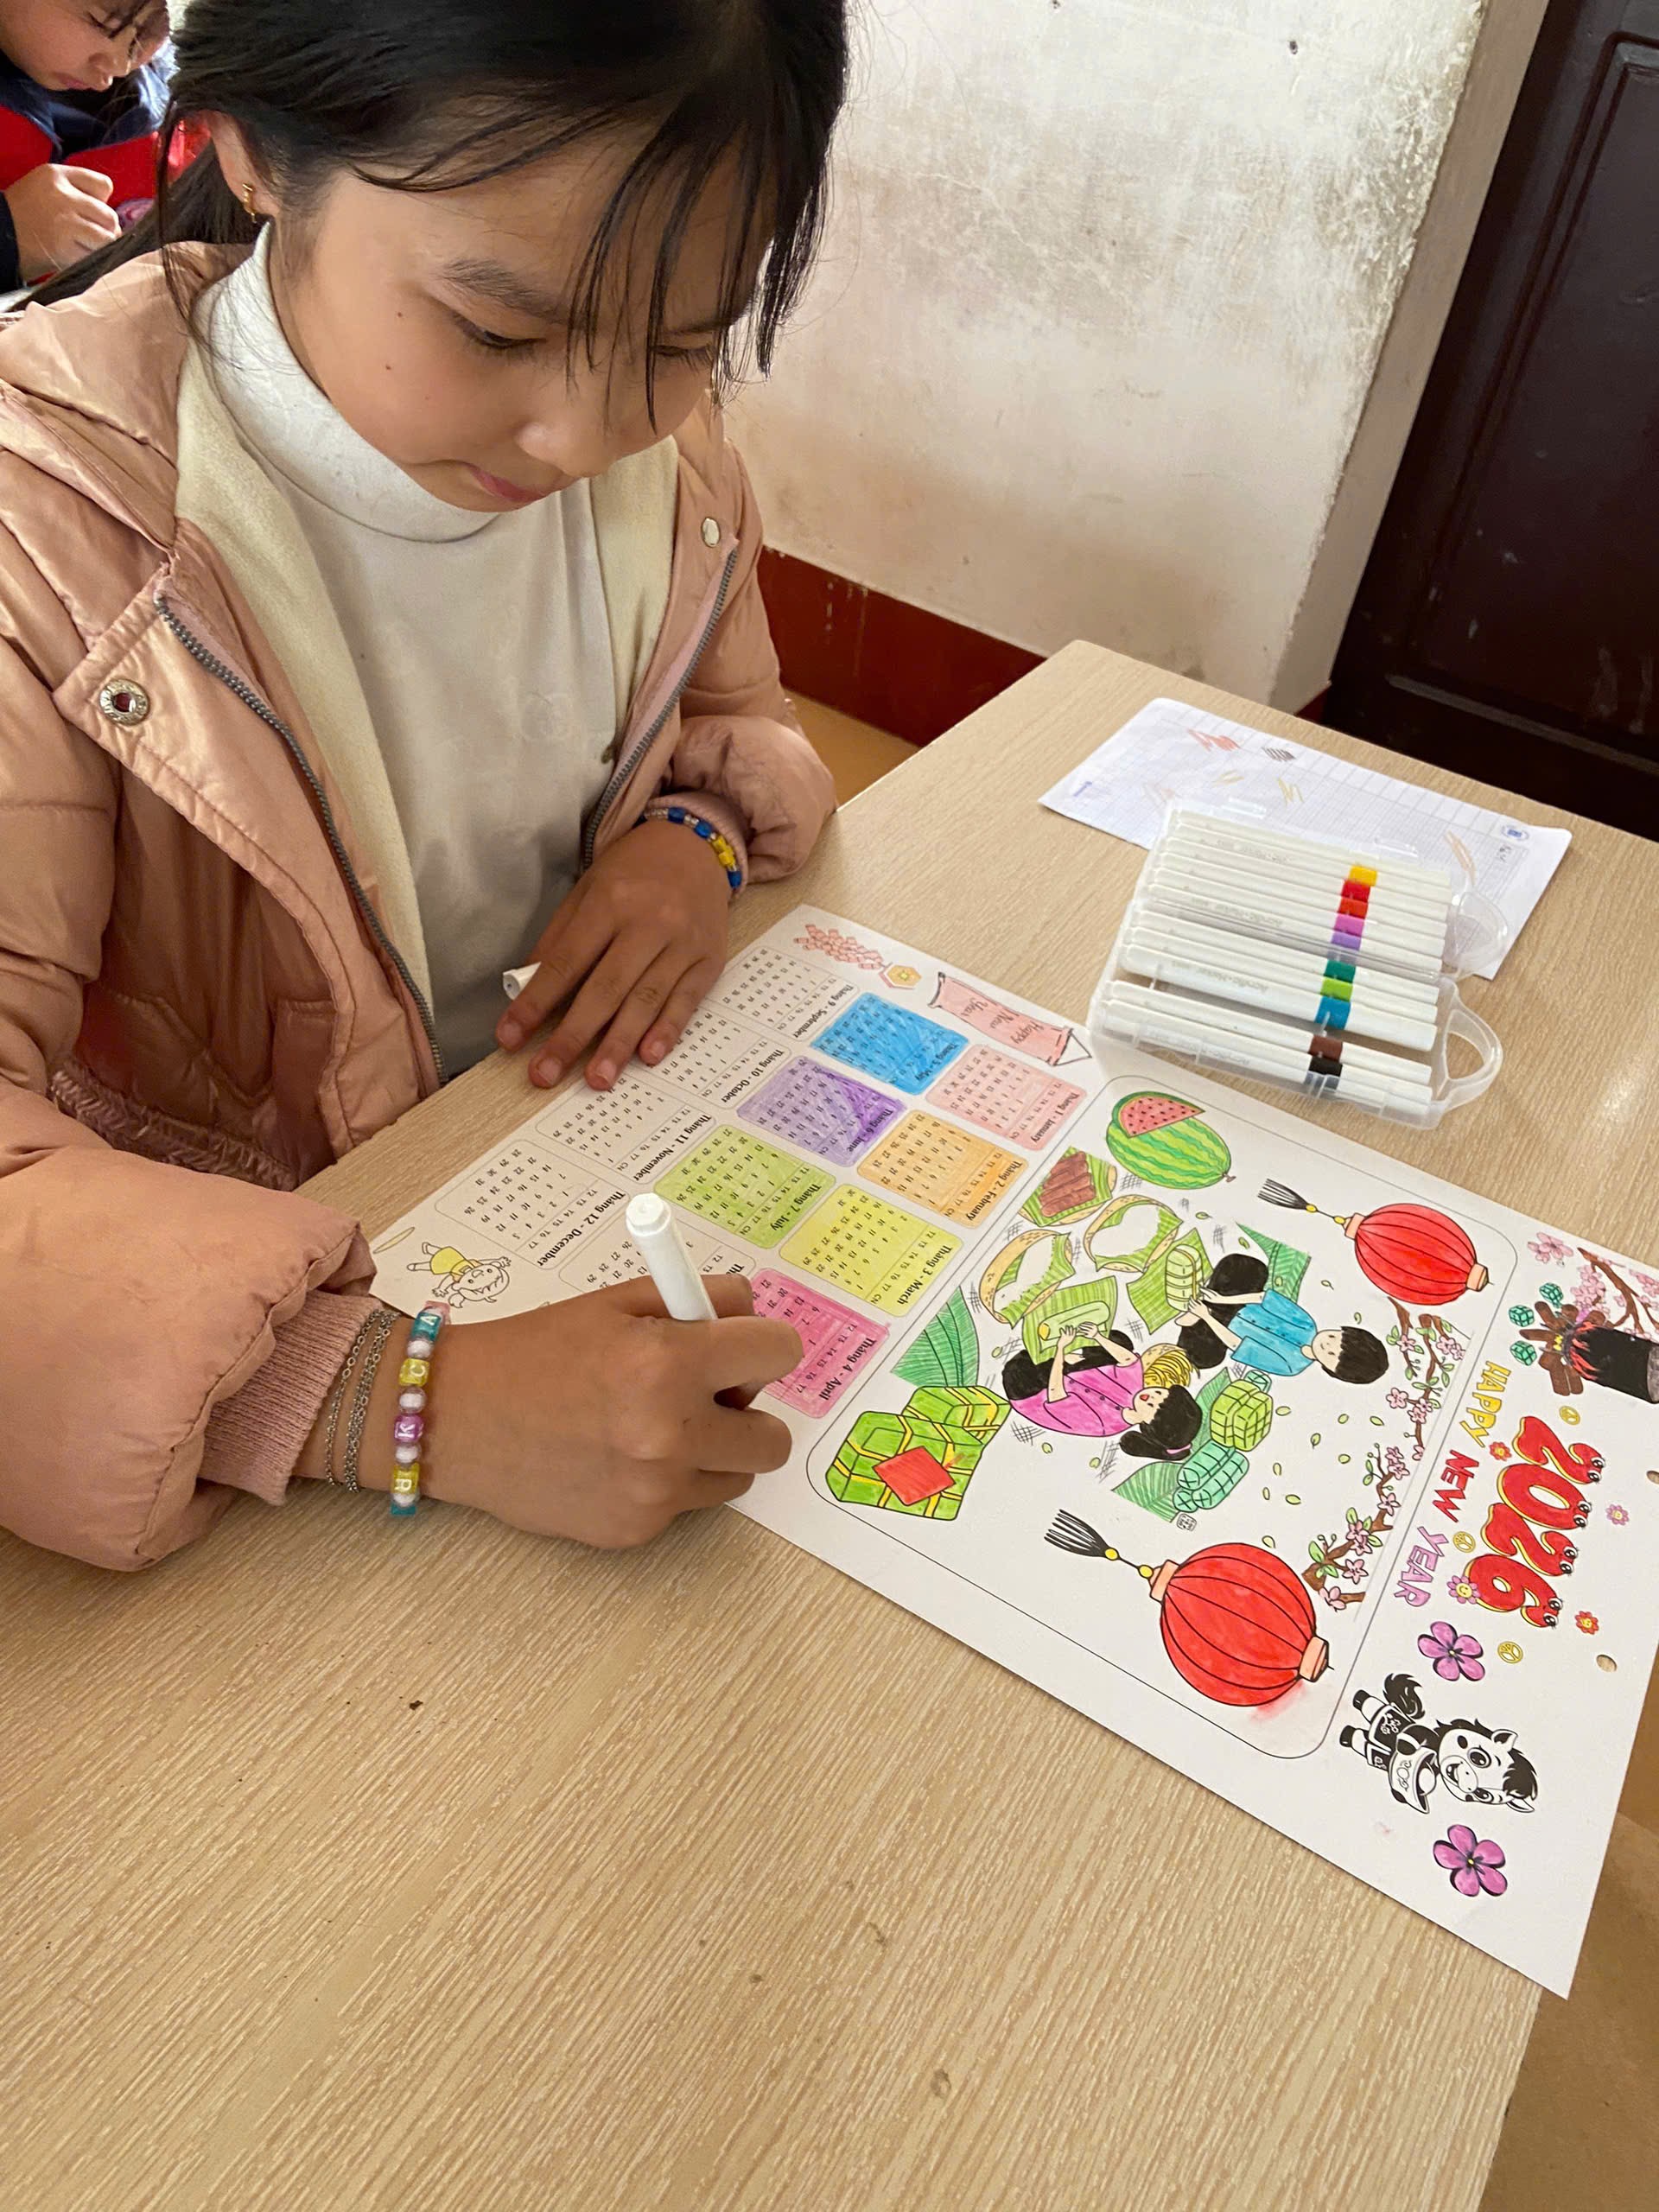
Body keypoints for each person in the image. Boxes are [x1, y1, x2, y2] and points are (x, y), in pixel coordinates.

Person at [0, 0, 849, 1568]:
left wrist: (697, 834)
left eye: (681, 343)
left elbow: (745, 718)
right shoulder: (46, 534)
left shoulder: (667, 470)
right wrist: (385, 1400)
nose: (586, 432)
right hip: (234, 1365)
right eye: (499, 332)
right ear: (251, 152)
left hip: (537, 1187)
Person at [0, 1, 174, 285]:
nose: (117, 68)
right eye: (102, 24)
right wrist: (11, 238)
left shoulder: (181, 101)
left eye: (147, 35)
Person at [1175, 1255, 1389, 1384]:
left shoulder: (1291, 1366)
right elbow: (1263, 1299)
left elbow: (1237, 1344)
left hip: (1220, 1332)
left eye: (1331, 1354)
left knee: (1206, 1359)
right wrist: (1223, 1299)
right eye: (1333, 1337)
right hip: (1236, 1302)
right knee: (1253, 1270)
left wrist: (1207, 1318)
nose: (1326, 1344)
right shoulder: (1307, 1323)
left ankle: (1199, 1317)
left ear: (1331, 1371)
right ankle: (1209, 1301)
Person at [1001, 1328, 1202, 1461]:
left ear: (1147, 1424)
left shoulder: (1103, 1424)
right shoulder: (1137, 1390)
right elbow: (1129, 1360)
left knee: (1019, 1365)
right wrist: (1097, 1335)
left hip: (1034, 1394)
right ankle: (1070, 1358)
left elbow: (1055, 1394)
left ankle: (1061, 1359)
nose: (1149, 1396)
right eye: (1158, 1392)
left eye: (1151, 1405)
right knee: (1121, 1343)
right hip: (1074, 1380)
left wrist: (1061, 1350)